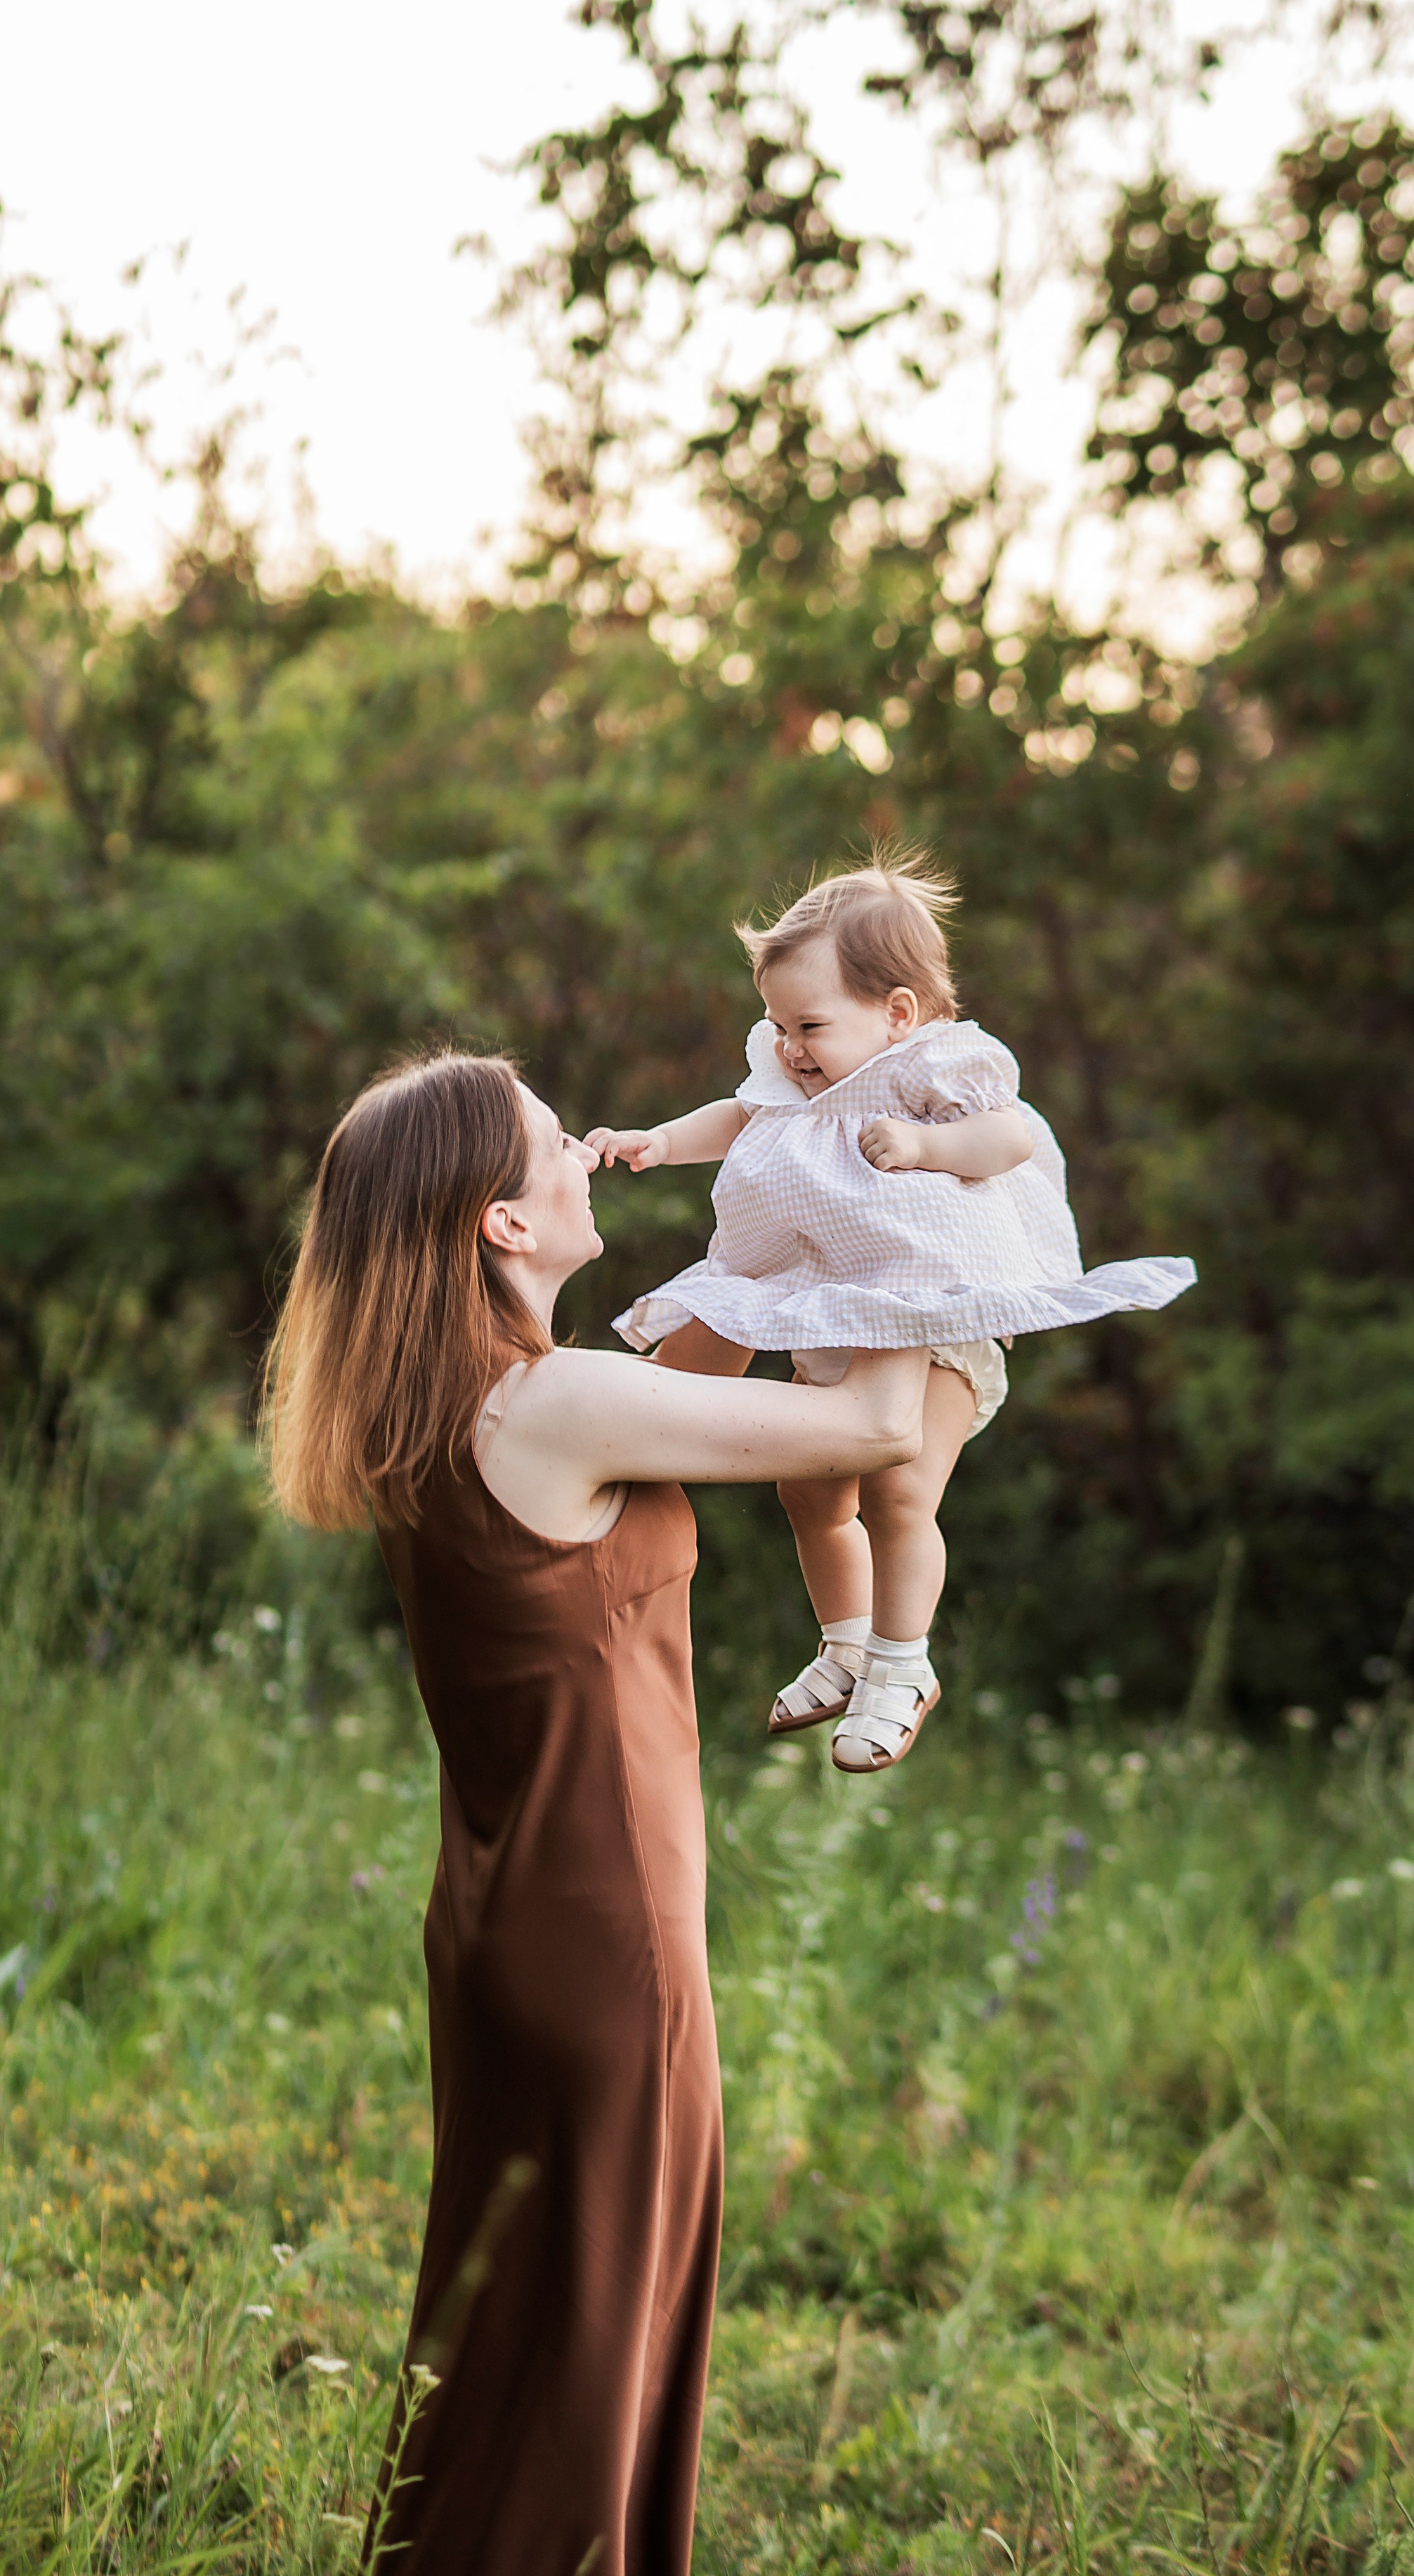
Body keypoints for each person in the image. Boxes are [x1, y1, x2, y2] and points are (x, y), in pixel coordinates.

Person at [262, 1047, 926, 2576]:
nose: (587, 1155)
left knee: (517, 2347)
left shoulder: (465, 1410)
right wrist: (909, 1211)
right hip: (608, 1945)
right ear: (501, 1223)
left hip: (506, 1930)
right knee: (590, 2372)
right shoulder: (559, 1404)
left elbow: (716, 1356)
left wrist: (796, 1177)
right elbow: (882, 1430)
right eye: (557, 1143)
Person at [588, 854, 1193, 1776]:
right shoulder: (793, 1077)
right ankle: (847, 1644)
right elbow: (738, 1118)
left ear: (898, 1012)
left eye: (810, 1026)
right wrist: (657, 1142)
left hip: (940, 1330)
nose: (790, 1047)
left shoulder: (931, 1066)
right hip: (841, 1326)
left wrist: (926, 1144)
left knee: (899, 1492)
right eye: (778, 1025)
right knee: (810, 1494)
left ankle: (903, 1666)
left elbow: (1011, 1136)